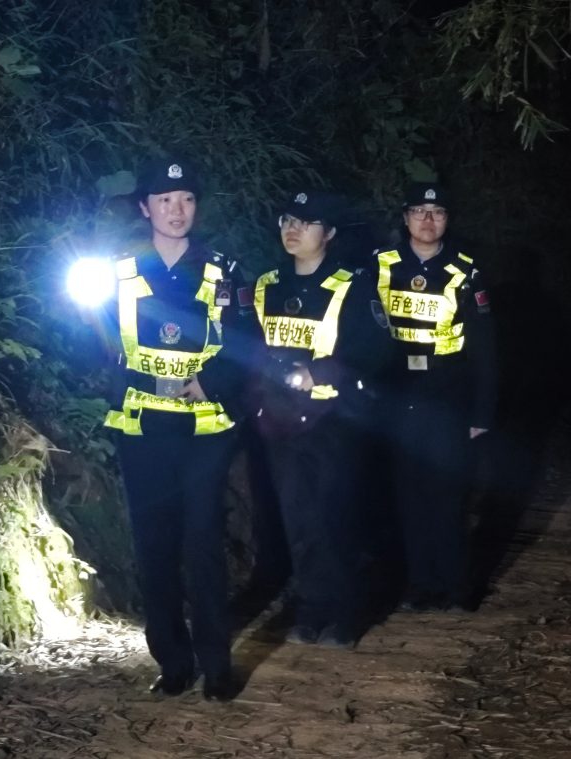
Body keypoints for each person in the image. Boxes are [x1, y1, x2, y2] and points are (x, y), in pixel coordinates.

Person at [102, 158, 252, 701]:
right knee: (154, 547)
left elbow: (245, 341)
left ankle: (217, 666)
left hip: (203, 430)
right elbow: (91, 334)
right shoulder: (119, 269)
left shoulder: (222, 269)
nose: (176, 209)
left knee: (204, 545)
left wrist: (211, 382)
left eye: (186, 199)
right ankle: (172, 662)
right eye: (165, 200)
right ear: (146, 208)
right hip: (141, 426)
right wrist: (113, 378)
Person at [252, 190, 390, 647]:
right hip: (281, 422)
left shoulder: (354, 285)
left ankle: (346, 615)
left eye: (307, 223)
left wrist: (321, 372)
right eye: (287, 219)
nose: (293, 229)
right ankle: (311, 611)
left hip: (336, 421)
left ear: (328, 233)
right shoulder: (267, 285)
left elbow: (377, 349)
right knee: (299, 521)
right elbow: (249, 347)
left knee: (337, 517)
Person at [376, 181, 497, 612]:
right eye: (419, 212)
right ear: (405, 217)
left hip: (447, 393)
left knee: (447, 493)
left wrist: (482, 412)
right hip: (397, 394)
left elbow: (485, 347)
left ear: (447, 220)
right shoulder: (380, 265)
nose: (428, 220)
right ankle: (418, 585)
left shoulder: (466, 272)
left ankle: (454, 585)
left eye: (438, 213)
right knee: (406, 495)